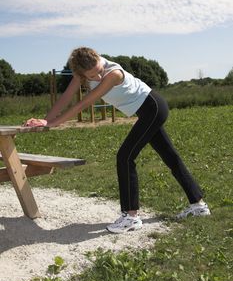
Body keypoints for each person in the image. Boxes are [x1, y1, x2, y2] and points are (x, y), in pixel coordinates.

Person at [25, 47, 211, 233]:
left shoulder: (112, 73)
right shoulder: (80, 75)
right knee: (170, 156)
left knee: (125, 157)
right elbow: (66, 97)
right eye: (92, 76)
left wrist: (54, 123)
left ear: (98, 58)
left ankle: (131, 217)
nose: (98, 77)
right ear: (81, 74)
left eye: (99, 71)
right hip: (146, 111)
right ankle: (198, 205)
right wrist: (46, 120)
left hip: (152, 107)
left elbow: (84, 103)